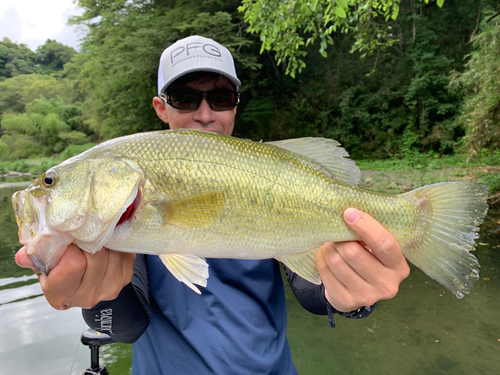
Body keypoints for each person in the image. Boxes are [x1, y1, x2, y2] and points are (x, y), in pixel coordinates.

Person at [15, 35, 410, 374]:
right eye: (186, 98)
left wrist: (354, 298)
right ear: (161, 107)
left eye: (221, 98)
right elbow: (125, 326)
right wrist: (100, 296)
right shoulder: (123, 217)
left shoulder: (271, 173)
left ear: (236, 105)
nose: (205, 114)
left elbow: (312, 287)